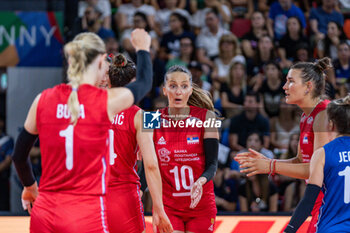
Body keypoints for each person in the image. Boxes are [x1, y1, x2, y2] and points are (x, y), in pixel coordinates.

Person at [11, 29, 153, 233]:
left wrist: (30, 187)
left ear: (71, 62)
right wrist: (143, 49)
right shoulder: (106, 102)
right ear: (101, 61)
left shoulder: (42, 99)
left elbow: (18, 155)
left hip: (44, 212)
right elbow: (144, 83)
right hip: (84, 213)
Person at [235, 57, 333, 233]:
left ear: (308, 87)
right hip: (320, 201)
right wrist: (267, 163)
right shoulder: (306, 116)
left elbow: (316, 170)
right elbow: (300, 161)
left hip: (332, 201)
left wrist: (271, 166)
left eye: (290, 81)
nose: (284, 86)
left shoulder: (323, 114)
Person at [105, 54, 173, 233]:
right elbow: (151, 164)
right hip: (124, 197)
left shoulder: (90, 108)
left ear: (108, 81)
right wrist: (158, 207)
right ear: (135, 83)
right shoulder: (144, 116)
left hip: (92, 196)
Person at [153, 65, 219, 232]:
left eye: (184, 86)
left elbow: (212, 164)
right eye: (173, 86)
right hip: (168, 206)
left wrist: (201, 181)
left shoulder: (207, 117)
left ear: (190, 90)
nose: (178, 91)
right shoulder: (151, 119)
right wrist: (139, 189)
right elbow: (148, 165)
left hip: (201, 205)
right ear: (164, 90)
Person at [284, 94, 350, 233]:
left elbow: (309, 200)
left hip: (330, 228)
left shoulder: (323, 153)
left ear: (331, 124)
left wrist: (289, 230)